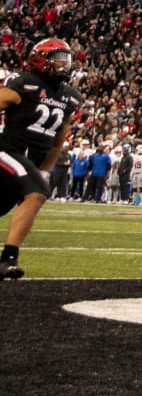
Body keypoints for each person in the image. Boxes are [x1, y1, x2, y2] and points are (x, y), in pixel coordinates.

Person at [0, 38, 82, 279]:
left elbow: (58, 142)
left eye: (66, 60)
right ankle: (7, 260)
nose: (63, 65)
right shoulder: (24, 83)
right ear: (40, 59)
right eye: (57, 59)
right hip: (7, 151)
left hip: (28, 162)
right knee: (37, 191)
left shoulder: (70, 97)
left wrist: (45, 170)